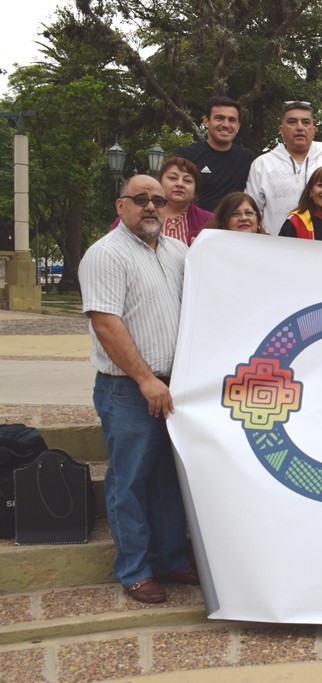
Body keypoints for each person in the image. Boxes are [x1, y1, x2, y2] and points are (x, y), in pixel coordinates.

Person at [79, 175, 197, 604]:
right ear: (121, 205)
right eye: (141, 198)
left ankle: (169, 559)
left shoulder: (178, 252)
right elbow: (106, 324)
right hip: (128, 388)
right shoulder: (105, 254)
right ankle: (134, 569)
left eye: (158, 201)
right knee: (129, 480)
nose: (151, 206)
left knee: (167, 479)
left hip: (174, 386)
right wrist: (146, 380)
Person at [246, 101, 322, 235]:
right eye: (292, 122)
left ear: (313, 130)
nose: (300, 127)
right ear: (281, 129)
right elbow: (251, 211)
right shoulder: (262, 164)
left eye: (305, 122)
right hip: (273, 245)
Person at [177, 96, 256, 211]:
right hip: (195, 221)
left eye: (232, 120)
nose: (226, 125)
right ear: (206, 122)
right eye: (219, 118)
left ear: (238, 126)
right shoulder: (187, 155)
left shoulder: (248, 159)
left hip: (233, 222)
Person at [154, 156, 214, 246]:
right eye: (173, 178)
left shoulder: (210, 221)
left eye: (187, 180)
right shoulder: (144, 214)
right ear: (159, 182)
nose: (180, 184)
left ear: (195, 189)